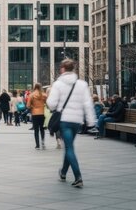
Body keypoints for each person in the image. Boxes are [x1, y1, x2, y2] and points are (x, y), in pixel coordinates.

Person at [47, 59, 96, 188]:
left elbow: (51, 104)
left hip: (64, 120)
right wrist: (91, 121)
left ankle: (78, 177)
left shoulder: (58, 84)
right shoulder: (82, 84)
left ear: (62, 69)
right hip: (77, 121)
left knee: (69, 148)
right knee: (69, 147)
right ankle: (63, 172)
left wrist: (56, 107)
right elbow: (87, 103)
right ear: (73, 69)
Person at [27, 83, 47, 150]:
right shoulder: (44, 95)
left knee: (36, 130)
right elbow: (47, 103)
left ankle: (37, 145)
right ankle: (43, 142)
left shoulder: (31, 95)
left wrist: (33, 107)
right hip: (42, 113)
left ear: (34, 87)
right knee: (42, 129)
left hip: (35, 114)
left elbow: (28, 105)